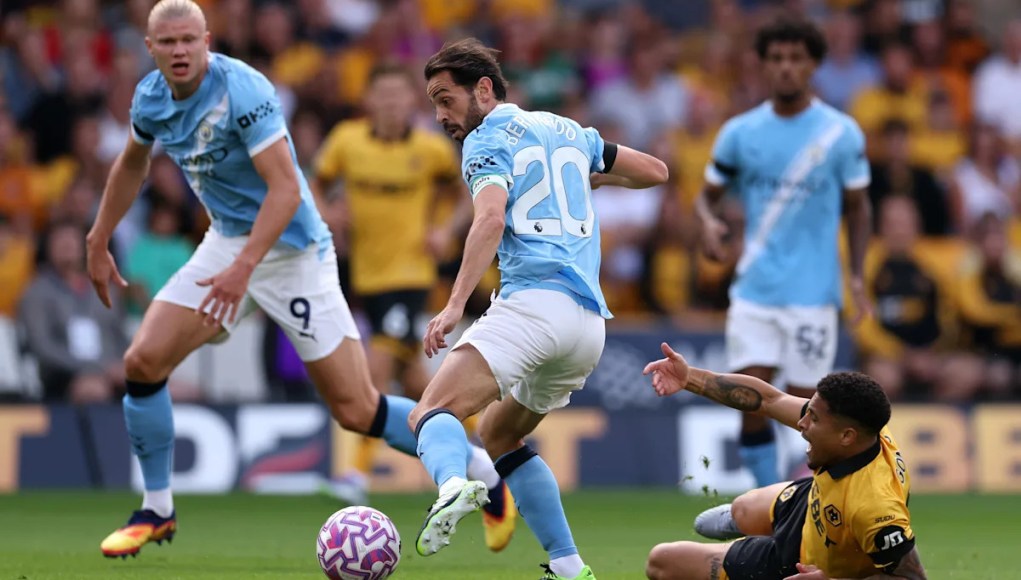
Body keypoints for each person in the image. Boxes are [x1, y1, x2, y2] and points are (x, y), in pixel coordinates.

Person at [85, 0, 495, 559]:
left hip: (294, 251)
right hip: (229, 242)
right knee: (142, 363)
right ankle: (155, 510)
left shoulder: (243, 90)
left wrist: (243, 271)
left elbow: (285, 190)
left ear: (208, 40)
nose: (180, 50)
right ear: (150, 47)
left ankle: (478, 468)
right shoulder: (151, 98)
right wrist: (99, 234)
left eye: (189, 39)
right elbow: (132, 162)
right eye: (168, 42)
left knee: (357, 408)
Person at [408, 38, 669, 580]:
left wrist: (455, 304)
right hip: (588, 326)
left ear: (484, 88)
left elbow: (489, 219)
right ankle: (569, 565)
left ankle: (454, 484)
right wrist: (581, 174)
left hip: (533, 304)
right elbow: (656, 171)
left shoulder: (484, 142)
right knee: (500, 435)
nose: (440, 115)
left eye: (445, 99)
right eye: (434, 104)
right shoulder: (571, 131)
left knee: (430, 413)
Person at [312, 61, 515, 549]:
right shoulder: (346, 141)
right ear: (371, 101)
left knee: (377, 369)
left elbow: (471, 189)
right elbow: (315, 182)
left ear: (412, 102)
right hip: (366, 275)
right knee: (419, 388)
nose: (391, 104)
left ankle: (355, 474)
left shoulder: (430, 150)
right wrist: (328, 212)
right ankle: (486, 456)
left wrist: (444, 230)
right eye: (382, 95)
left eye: (401, 97)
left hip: (410, 275)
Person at [696, 17, 873, 487]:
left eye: (796, 59)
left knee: (806, 411)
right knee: (750, 400)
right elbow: (707, 195)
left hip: (814, 292)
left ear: (813, 64)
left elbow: (859, 208)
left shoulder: (841, 134)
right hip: (755, 287)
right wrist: (709, 222)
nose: (786, 69)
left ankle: (794, 497)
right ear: (763, 65)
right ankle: (766, 500)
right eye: (776, 59)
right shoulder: (740, 132)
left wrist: (857, 275)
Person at [643, 343, 927, 580]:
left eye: (813, 418)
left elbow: (912, 578)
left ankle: (749, 555)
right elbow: (768, 400)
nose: (801, 423)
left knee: (661, 562)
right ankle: (749, 531)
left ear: (846, 436)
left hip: (798, 562)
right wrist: (689, 377)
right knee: (739, 509)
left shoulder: (875, 510)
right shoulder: (863, 429)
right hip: (810, 501)